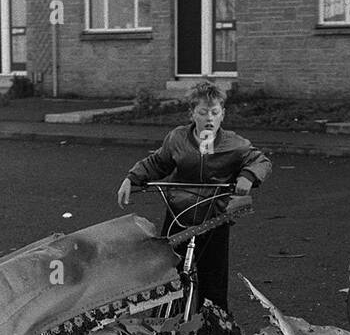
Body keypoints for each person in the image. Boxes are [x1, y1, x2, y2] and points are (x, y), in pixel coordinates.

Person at [116, 80, 271, 310]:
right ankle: (169, 325)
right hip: (179, 213)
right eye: (202, 112)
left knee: (214, 281)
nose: (209, 118)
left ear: (222, 115)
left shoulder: (234, 143)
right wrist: (132, 178)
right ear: (192, 114)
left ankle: (214, 332)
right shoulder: (177, 138)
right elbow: (158, 162)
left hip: (214, 217)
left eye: (215, 112)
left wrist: (248, 176)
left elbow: (261, 161)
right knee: (169, 275)